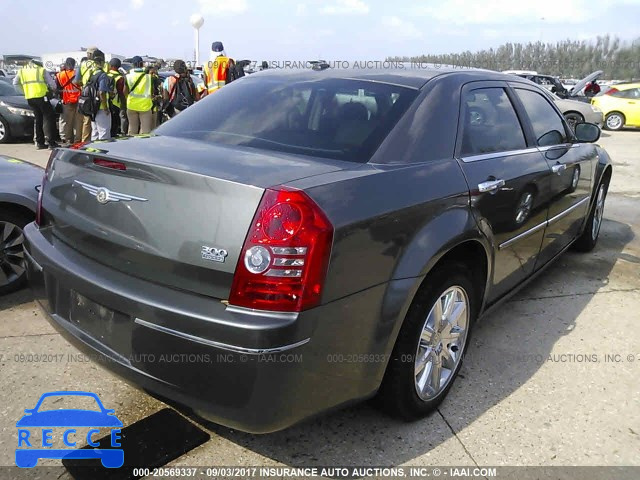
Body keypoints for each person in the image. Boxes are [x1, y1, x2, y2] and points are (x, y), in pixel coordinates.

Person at [13, 59, 59, 149]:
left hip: (30, 98)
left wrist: (24, 92)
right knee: (49, 118)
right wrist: (53, 90)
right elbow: (52, 84)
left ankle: (39, 142)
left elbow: (15, 83)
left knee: (38, 119)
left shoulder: (22, 70)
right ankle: (51, 142)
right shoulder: (41, 70)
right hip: (42, 97)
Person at [85, 50, 111, 140]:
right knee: (104, 133)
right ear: (102, 62)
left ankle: (94, 152)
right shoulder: (103, 75)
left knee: (95, 132)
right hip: (100, 107)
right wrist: (105, 108)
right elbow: (101, 92)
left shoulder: (92, 74)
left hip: (92, 107)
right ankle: (103, 152)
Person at [125, 56, 153, 135]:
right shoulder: (149, 77)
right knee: (145, 131)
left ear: (133, 65)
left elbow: (125, 91)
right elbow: (152, 91)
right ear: (142, 64)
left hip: (131, 105)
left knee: (132, 129)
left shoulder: (128, 76)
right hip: (145, 106)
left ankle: (131, 146)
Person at [75, 47, 98, 141]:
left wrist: (83, 86)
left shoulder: (82, 64)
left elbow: (76, 81)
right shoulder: (100, 64)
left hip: (86, 93)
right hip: (97, 93)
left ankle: (85, 141)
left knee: (87, 119)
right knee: (97, 119)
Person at [56, 57, 82, 144]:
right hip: (78, 100)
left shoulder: (60, 75)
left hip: (66, 101)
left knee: (66, 120)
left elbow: (57, 88)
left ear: (66, 64)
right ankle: (77, 139)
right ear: (74, 65)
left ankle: (66, 138)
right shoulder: (77, 73)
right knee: (77, 121)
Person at [106, 58, 126, 137]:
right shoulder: (120, 78)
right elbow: (121, 92)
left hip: (105, 102)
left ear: (110, 66)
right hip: (116, 103)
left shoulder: (105, 75)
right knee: (115, 124)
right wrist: (123, 104)